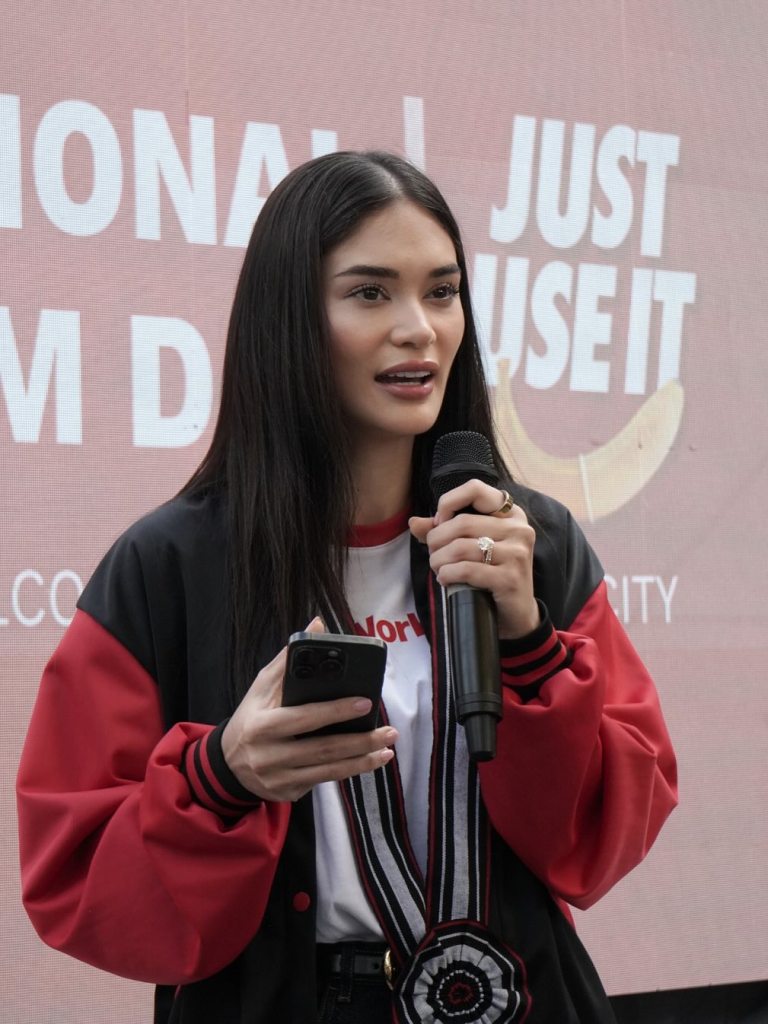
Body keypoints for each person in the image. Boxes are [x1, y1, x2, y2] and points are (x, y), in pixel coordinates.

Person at [16, 151, 677, 1024]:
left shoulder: (528, 543)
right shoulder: (169, 565)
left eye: (442, 293)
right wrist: (222, 776)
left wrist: (529, 644)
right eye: (370, 293)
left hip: (514, 997)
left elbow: (609, 829)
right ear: (288, 318)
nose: (420, 329)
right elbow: (71, 873)